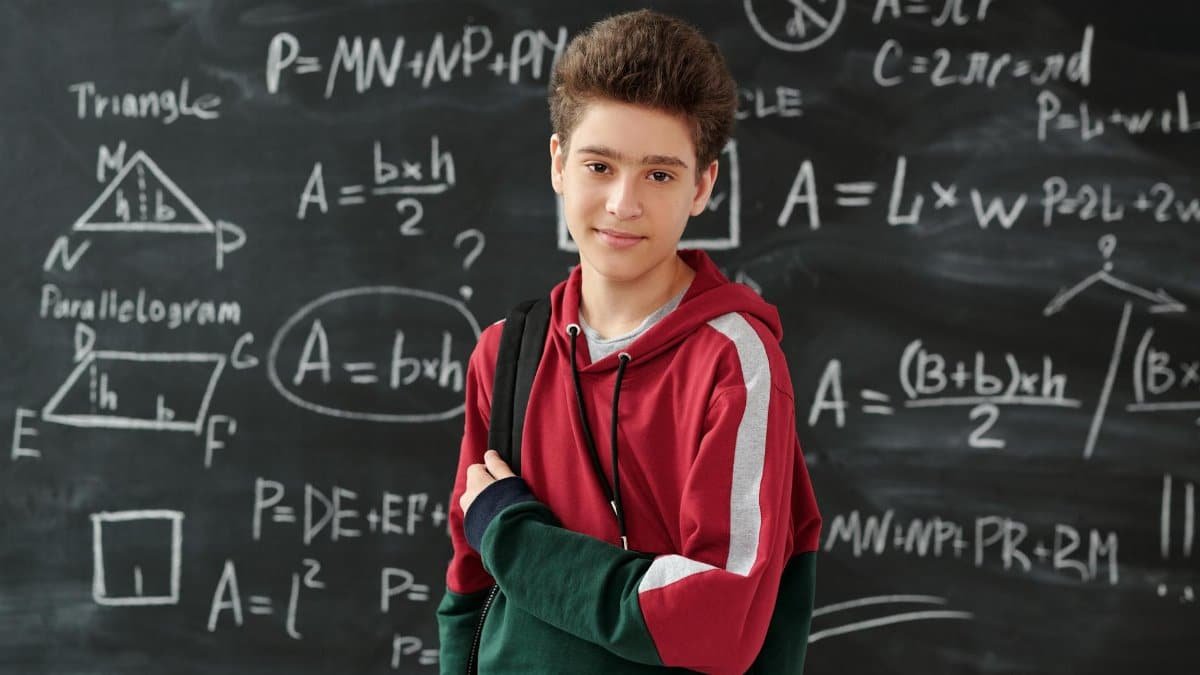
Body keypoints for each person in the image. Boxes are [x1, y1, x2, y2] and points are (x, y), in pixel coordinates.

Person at [437, 9, 821, 674]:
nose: (622, 202)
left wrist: (517, 537)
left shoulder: (735, 363)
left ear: (703, 185)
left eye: (660, 174)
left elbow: (719, 622)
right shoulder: (505, 353)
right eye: (599, 165)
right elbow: (469, 585)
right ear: (559, 164)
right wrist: (496, 542)